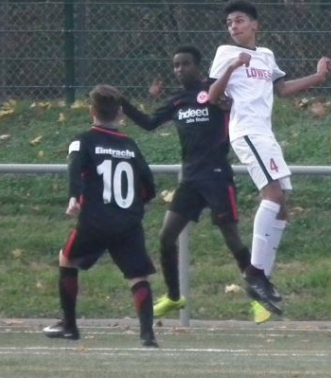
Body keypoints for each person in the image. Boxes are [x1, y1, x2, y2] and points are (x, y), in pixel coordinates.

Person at [121, 46, 272, 324]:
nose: (180, 69)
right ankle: (174, 296)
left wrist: (231, 99)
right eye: (176, 65)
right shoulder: (177, 101)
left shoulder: (215, 92)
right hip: (190, 179)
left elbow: (239, 102)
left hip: (217, 176)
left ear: (198, 66)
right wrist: (123, 103)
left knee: (232, 239)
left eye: (185, 64)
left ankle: (260, 300)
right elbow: (149, 123)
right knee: (166, 236)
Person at [207, 0, 331, 315]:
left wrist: (317, 77)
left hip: (265, 133)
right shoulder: (225, 53)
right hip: (246, 131)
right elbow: (212, 96)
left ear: (255, 25)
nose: (233, 27)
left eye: (239, 20)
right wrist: (233, 67)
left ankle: (262, 276)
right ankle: (255, 274)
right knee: (273, 196)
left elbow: (282, 89)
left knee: (282, 208)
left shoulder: (266, 55)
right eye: (229, 23)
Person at [43, 84, 159, 347]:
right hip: (128, 222)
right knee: (137, 276)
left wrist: (74, 197)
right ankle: (147, 335)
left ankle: (69, 325)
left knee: (67, 259)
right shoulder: (130, 144)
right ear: (120, 113)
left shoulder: (83, 140)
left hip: (96, 219)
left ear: (91, 111)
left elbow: (75, 168)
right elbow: (148, 186)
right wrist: (135, 206)